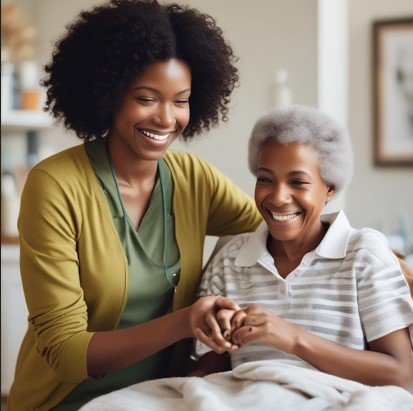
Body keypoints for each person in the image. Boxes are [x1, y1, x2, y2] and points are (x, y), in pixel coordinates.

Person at [8, 1, 263, 410]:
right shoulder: (55, 186)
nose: (166, 118)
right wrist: (183, 323)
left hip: (160, 398)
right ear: (108, 93)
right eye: (147, 98)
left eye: (181, 101)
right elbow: (66, 353)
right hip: (68, 401)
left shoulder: (193, 178)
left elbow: (282, 232)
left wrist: (379, 259)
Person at [193, 105, 413, 387]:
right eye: (265, 179)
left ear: (330, 188)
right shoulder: (230, 260)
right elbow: (211, 373)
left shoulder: (364, 254)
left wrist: (291, 338)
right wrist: (219, 332)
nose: (278, 196)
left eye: (298, 182)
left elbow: (400, 372)